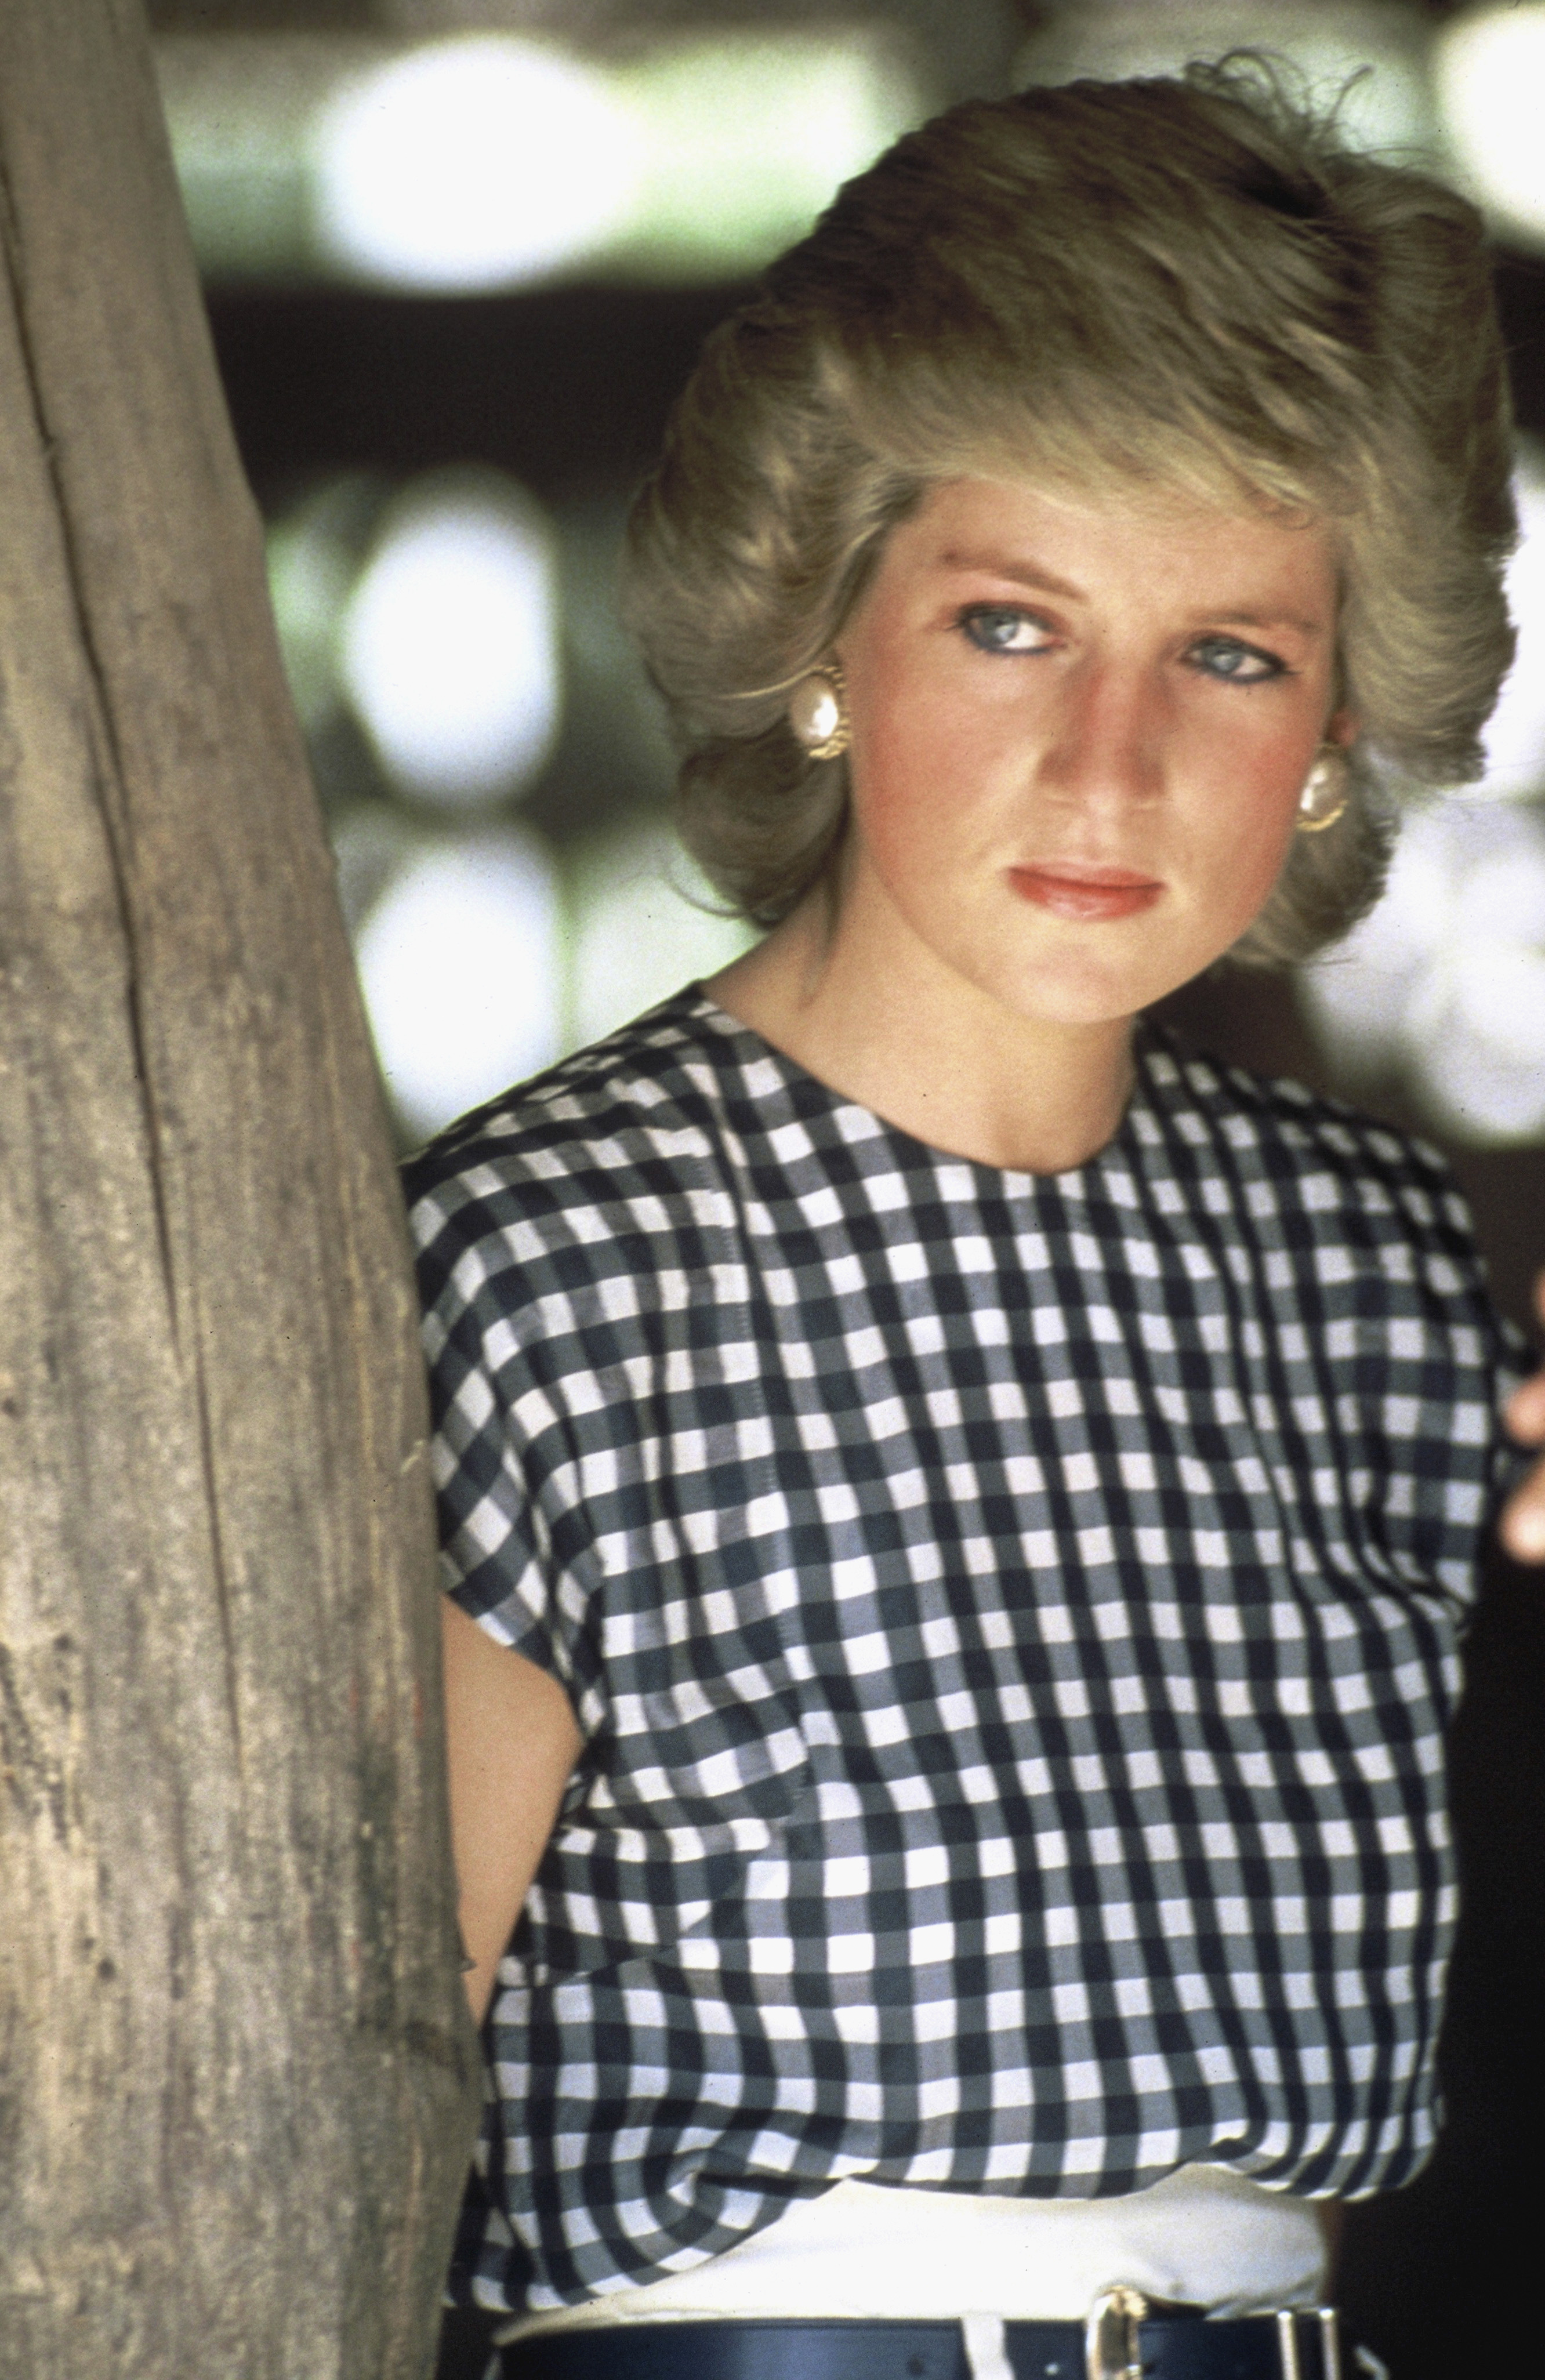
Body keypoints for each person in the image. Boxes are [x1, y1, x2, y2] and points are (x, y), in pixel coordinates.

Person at [408, 60, 1545, 2380]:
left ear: (1335, 730)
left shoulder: (1381, 1276)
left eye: (1232, 654)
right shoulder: (548, 1272)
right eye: (1014, 624)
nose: (1113, 766)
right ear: (826, 634)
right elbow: (334, 2100)